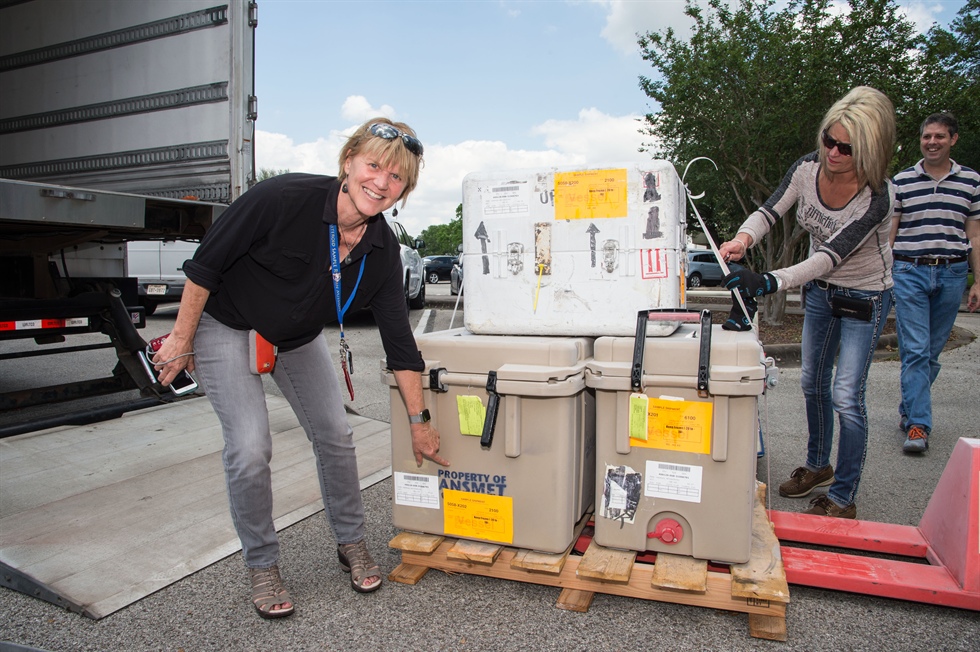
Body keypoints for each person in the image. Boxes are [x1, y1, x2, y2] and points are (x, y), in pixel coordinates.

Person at [151, 118, 450, 619]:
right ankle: (262, 564)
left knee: (336, 433)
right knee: (249, 446)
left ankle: (350, 541)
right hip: (227, 324)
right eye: (374, 165)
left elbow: (399, 344)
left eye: (397, 177)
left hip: (294, 339)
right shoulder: (281, 198)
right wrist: (180, 340)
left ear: (406, 189)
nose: (381, 182)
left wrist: (420, 424)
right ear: (349, 162)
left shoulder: (382, 252)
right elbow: (203, 267)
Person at [718, 87, 896, 520]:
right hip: (821, 293)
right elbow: (769, 210)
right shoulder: (808, 167)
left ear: (869, 150)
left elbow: (828, 257)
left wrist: (768, 281)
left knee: (847, 396)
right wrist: (743, 239)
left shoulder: (877, 197)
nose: (833, 152)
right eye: (828, 141)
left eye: (846, 148)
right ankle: (819, 467)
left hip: (866, 295)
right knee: (813, 383)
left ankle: (843, 495)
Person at [889, 113, 980, 454]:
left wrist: (977, 282)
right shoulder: (902, 181)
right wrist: (885, 274)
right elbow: (891, 232)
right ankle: (918, 426)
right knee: (915, 350)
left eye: (939, 136)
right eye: (927, 136)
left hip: (953, 272)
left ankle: (909, 409)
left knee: (931, 354)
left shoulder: (971, 182)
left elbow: (974, 234)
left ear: (953, 139)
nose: (932, 142)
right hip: (909, 271)